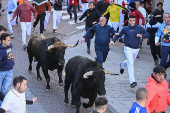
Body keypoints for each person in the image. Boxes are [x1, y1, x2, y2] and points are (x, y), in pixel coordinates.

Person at [110, 15, 149, 88]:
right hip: (128, 48)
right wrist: (113, 40)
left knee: (129, 61)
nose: (132, 22)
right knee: (131, 64)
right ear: (128, 21)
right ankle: (132, 82)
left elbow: (147, 34)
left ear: (135, 21)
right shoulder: (125, 28)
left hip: (136, 49)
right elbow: (119, 35)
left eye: (133, 20)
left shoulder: (139, 28)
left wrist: (141, 36)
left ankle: (122, 65)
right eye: (130, 20)